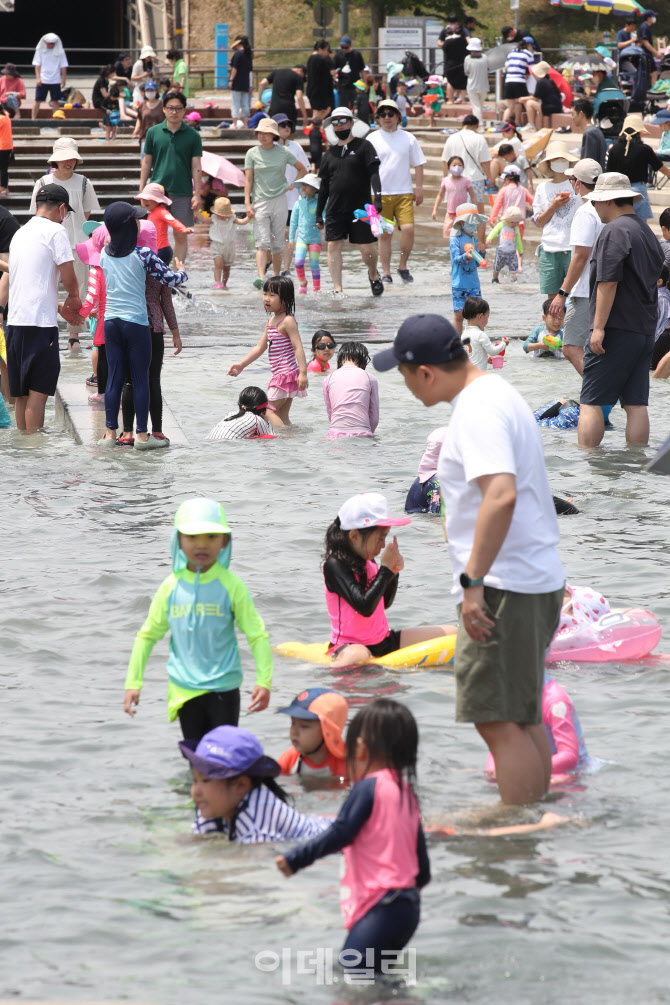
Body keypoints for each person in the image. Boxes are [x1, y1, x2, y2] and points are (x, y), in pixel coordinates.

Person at [373, 315, 566, 805]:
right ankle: (538, 824)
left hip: (503, 586)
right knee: (521, 715)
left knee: (497, 720)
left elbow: (500, 496)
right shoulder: (499, 394)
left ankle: (514, 834)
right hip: (532, 578)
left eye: (403, 374)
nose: (405, 386)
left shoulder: (476, 411)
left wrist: (473, 581)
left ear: (426, 373)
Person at [276, 699, 430, 976]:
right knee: (374, 977)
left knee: (349, 977)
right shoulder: (407, 793)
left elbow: (342, 832)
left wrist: (296, 858)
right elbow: (422, 867)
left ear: (359, 749)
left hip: (382, 905)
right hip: (407, 907)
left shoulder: (368, 788)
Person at [124, 499, 273, 738]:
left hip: (224, 688)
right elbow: (147, 635)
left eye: (212, 536)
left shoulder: (232, 586)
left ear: (225, 541)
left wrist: (264, 681)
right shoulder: (170, 587)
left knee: (223, 759)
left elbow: (257, 634)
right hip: (184, 690)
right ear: (178, 539)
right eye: (192, 537)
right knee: (196, 763)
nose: (201, 545)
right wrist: (133, 683)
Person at [578, 172, 664, 447]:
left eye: (595, 202)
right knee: (636, 404)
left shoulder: (614, 231)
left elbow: (608, 282)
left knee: (591, 402)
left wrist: (599, 328)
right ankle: (636, 463)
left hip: (616, 328)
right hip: (644, 330)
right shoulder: (646, 232)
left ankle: (588, 465)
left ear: (608, 201)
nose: (594, 208)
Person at [321, 492, 455, 667]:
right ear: (354, 536)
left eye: (385, 538)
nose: (383, 545)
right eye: (380, 538)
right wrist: (385, 570)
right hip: (349, 646)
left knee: (453, 633)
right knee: (358, 654)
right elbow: (364, 606)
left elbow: (383, 603)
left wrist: (393, 572)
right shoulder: (334, 565)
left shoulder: (369, 560)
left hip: (384, 641)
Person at [97, 201, 187, 449]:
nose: (139, 223)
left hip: (111, 323)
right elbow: (169, 279)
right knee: (140, 378)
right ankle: (143, 437)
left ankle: (109, 434)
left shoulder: (104, 254)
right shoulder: (143, 254)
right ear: (129, 226)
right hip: (136, 323)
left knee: (115, 378)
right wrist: (183, 271)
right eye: (136, 220)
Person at [6, 183, 80, 432]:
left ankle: (24, 451)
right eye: (66, 213)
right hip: (39, 324)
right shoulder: (55, 232)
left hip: (14, 323)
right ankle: (36, 453)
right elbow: (69, 278)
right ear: (61, 208)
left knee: (21, 396)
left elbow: (28, 281)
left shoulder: (20, 232)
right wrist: (74, 298)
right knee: (38, 396)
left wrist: (57, 303)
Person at [181, 725, 330, 841]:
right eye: (195, 781)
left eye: (205, 781)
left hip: (329, 838)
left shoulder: (257, 815)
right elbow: (197, 838)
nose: (196, 791)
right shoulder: (213, 806)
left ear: (240, 785)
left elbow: (257, 861)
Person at [29, 137, 100, 344]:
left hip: (77, 245)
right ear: (55, 161)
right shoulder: (43, 183)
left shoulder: (84, 182)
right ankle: (45, 326)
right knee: (46, 285)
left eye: (72, 158)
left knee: (77, 288)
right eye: (64, 158)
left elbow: (86, 214)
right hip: (47, 244)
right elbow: (36, 213)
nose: (68, 162)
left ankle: (73, 334)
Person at [118, 220, 182, 446]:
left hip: (127, 325)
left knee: (129, 381)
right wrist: (175, 332)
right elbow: (167, 302)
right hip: (153, 327)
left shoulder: (123, 261)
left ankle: (126, 433)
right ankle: (157, 431)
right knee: (153, 379)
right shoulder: (157, 265)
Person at [316, 106, 384, 296]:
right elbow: (324, 188)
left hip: (363, 207)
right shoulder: (329, 154)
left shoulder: (364, 146)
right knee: (333, 246)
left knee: (366, 249)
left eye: (343, 121)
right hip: (335, 208)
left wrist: (377, 199)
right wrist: (318, 213)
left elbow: (374, 175)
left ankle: (373, 274)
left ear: (352, 123)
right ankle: (338, 288)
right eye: (335, 122)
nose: (339, 126)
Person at [548, 158, 604, 376]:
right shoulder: (606, 208)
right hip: (605, 288)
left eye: (572, 180)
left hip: (585, 290)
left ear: (578, 183)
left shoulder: (585, 211)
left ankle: (599, 393)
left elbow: (580, 256)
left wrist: (562, 293)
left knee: (571, 347)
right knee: (597, 347)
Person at [228, 276, 308, 424]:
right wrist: (241, 365)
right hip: (283, 375)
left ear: (285, 298)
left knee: (266, 411)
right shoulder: (271, 321)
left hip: (285, 375)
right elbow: (260, 347)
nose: (266, 299)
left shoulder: (287, 321)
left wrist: (303, 373)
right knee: (282, 417)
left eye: (272, 295)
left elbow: (298, 346)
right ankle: (290, 442)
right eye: (265, 294)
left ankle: (278, 440)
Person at [366, 99, 426, 285]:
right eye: (382, 114)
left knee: (408, 229)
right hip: (378, 194)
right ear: (377, 118)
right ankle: (386, 272)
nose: (386, 118)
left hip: (404, 192)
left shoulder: (408, 138)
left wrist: (419, 187)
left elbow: (418, 164)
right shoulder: (371, 138)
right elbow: (364, 167)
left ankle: (402, 265)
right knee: (385, 234)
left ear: (398, 116)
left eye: (390, 114)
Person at [485, 672, 589, 780]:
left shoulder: (555, 700)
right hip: (529, 767)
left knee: (560, 780)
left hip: (572, 771)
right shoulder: (511, 693)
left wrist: (525, 771)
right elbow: (500, 743)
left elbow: (569, 756)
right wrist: (492, 770)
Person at [140, 90, 203, 263]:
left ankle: (177, 274)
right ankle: (155, 272)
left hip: (182, 192)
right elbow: (147, 162)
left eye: (178, 108)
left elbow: (197, 166)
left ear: (184, 110)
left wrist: (197, 194)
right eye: (170, 108)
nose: (174, 112)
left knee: (181, 234)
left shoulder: (193, 135)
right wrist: (142, 189)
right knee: (153, 234)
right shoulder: (153, 132)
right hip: (157, 193)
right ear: (164, 109)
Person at [244, 118, 306, 287]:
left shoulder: (283, 152)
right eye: (260, 133)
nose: (262, 136)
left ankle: (277, 276)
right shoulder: (252, 153)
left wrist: (293, 185)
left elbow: (302, 169)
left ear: (274, 135)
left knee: (278, 242)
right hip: (260, 201)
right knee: (262, 242)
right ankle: (261, 276)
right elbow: (248, 179)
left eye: (266, 133)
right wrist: (247, 203)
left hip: (280, 199)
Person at [532, 143, 580, 298]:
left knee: (574, 295)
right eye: (556, 159)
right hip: (549, 247)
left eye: (562, 159)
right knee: (552, 299)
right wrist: (553, 206)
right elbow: (539, 222)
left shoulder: (577, 185)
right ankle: (556, 323)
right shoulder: (542, 188)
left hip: (572, 247)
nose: (559, 162)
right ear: (549, 164)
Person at [606, 114, 670, 221]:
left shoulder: (614, 150)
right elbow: (660, 167)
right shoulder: (644, 149)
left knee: (620, 223)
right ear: (639, 132)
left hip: (618, 192)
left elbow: (608, 174)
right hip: (638, 191)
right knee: (641, 227)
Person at [277, 687, 349, 779]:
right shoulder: (290, 758)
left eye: (304, 726)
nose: (294, 731)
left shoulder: (346, 763)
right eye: (293, 723)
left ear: (327, 731)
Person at [441, 116, 492, 241]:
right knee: (478, 215)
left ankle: (456, 244)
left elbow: (444, 162)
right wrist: (490, 178)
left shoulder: (451, 138)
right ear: (475, 125)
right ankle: (480, 244)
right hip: (475, 180)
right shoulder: (479, 138)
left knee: (455, 214)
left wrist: (445, 180)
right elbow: (485, 162)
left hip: (454, 181)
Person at [273, 114, 311, 274]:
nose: (287, 127)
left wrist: (293, 184)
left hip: (292, 198)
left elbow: (307, 169)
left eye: (289, 124)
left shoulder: (296, 147)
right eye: (282, 125)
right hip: (274, 198)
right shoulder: (270, 147)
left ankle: (286, 268)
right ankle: (273, 264)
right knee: (275, 235)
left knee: (289, 233)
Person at [323, 340, 379, 439]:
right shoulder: (371, 379)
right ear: (363, 360)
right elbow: (374, 418)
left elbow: (330, 413)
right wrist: (369, 432)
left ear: (338, 359)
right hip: (363, 433)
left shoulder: (328, 379)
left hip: (335, 434)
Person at [449, 203, 488, 334]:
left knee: (477, 315)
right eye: (470, 222)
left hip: (473, 283)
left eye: (474, 222)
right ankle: (457, 345)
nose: (473, 225)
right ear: (461, 222)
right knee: (459, 315)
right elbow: (455, 259)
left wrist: (482, 252)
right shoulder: (455, 239)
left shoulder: (473, 238)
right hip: (459, 283)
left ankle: (476, 342)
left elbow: (478, 263)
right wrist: (465, 256)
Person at [135, 181, 193, 266]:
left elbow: (172, 220)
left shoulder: (161, 212)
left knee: (158, 277)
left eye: (150, 199)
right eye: (143, 199)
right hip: (156, 249)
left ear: (159, 200)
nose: (145, 201)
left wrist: (183, 229)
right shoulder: (152, 212)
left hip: (162, 250)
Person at [207, 386, 284, 440]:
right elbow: (271, 437)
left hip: (208, 441)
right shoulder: (257, 419)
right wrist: (267, 423)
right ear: (263, 411)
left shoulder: (230, 414)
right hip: (227, 446)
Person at [288, 172, 322, 294]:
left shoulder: (319, 203)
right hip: (301, 239)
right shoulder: (299, 204)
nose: (303, 187)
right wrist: (291, 239)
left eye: (307, 185)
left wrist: (322, 222)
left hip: (315, 240)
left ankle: (317, 289)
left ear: (314, 189)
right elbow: (293, 223)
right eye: (302, 185)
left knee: (314, 264)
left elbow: (324, 216)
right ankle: (303, 283)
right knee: (298, 263)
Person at [206, 196, 248, 290]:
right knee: (218, 264)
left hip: (229, 246)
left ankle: (224, 283)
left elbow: (242, 222)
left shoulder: (232, 219)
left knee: (227, 268)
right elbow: (203, 219)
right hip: (217, 245)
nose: (221, 216)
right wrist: (196, 211)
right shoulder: (213, 218)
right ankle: (217, 282)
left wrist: (249, 217)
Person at [405, 426, 447, 515]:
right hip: (427, 526)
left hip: (416, 524)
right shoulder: (439, 484)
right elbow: (437, 518)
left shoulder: (425, 475)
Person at [433, 155, 476, 237]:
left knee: (464, 235)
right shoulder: (446, 181)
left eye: (460, 165)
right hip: (450, 214)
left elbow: (473, 196)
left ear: (463, 167)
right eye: (454, 165)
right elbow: (440, 195)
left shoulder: (466, 181)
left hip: (463, 214)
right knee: (449, 236)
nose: (457, 167)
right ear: (448, 167)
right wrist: (435, 210)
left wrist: (474, 211)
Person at [462, 297, 507, 368]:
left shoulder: (464, 334)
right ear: (480, 316)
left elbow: (471, 355)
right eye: (487, 316)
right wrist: (504, 343)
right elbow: (493, 351)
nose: (487, 320)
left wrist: (485, 358)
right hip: (478, 374)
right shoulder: (480, 335)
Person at [258, 65, 307, 130]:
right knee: (289, 132)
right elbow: (299, 97)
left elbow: (262, 83)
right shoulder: (298, 77)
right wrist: (305, 115)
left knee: (275, 132)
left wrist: (259, 100)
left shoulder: (276, 72)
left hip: (275, 108)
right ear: (301, 70)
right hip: (289, 108)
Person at [31, 33, 68, 120]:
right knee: (37, 100)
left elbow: (63, 65)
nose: (50, 45)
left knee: (55, 101)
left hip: (55, 80)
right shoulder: (40, 50)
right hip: (43, 79)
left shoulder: (60, 51)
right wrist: (38, 78)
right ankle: (33, 119)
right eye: (49, 43)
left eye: (52, 43)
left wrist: (63, 78)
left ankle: (56, 119)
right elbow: (37, 65)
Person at [487, 204, 525, 283]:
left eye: (516, 223)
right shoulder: (501, 225)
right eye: (512, 222)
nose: (514, 224)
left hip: (512, 252)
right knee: (497, 266)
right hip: (501, 251)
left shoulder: (516, 229)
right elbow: (494, 231)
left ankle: (514, 279)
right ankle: (495, 278)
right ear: (507, 219)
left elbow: (518, 241)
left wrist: (520, 251)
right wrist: (489, 238)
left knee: (514, 267)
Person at [520, 62, 562, 131]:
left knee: (529, 103)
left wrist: (523, 98)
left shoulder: (541, 82)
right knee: (530, 102)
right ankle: (532, 124)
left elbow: (535, 97)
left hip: (551, 108)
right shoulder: (548, 80)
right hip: (556, 107)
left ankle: (531, 125)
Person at [502, 38, 534, 124]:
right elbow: (532, 69)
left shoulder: (512, 52)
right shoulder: (528, 54)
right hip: (519, 81)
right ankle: (517, 122)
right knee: (519, 102)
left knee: (510, 107)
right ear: (529, 45)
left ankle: (504, 123)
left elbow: (506, 67)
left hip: (509, 80)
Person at [131, 79, 164, 158]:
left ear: (156, 91)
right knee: (145, 161)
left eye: (151, 90)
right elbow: (139, 119)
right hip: (145, 137)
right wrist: (135, 131)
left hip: (160, 137)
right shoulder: (142, 105)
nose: (150, 92)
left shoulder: (162, 104)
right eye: (148, 90)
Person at [570, 99, 606, 170]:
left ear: (581, 114)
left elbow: (589, 163)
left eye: (573, 114)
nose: (572, 117)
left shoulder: (590, 133)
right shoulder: (594, 131)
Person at [439, 16, 468, 102]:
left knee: (450, 81)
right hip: (461, 63)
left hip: (450, 63)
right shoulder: (462, 40)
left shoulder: (447, 42)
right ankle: (463, 100)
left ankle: (451, 100)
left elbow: (444, 49)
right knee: (463, 81)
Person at [332, 36, 365, 109]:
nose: (344, 49)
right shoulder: (338, 55)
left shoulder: (357, 55)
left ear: (350, 45)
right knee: (342, 108)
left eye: (346, 47)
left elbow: (362, 70)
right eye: (342, 47)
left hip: (355, 86)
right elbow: (333, 70)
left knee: (356, 108)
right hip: (342, 86)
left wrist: (364, 84)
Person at [229, 35, 253, 128]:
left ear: (238, 42)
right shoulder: (248, 54)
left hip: (237, 83)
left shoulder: (238, 54)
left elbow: (234, 69)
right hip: (245, 83)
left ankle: (235, 124)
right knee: (245, 105)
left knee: (235, 104)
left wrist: (231, 79)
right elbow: (250, 71)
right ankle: (246, 125)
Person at [306, 39, 335, 118]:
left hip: (313, 90)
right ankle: (314, 127)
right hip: (319, 91)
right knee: (319, 112)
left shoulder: (311, 58)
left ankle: (315, 126)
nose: (327, 52)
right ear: (320, 49)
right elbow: (330, 72)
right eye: (326, 50)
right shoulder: (320, 59)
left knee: (321, 111)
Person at [464, 37, 489, 125]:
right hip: (484, 86)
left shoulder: (467, 58)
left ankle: (479, 125)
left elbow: (466, 72)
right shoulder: (485, 57)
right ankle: (478, 123)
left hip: (472, 86)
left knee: (476, 107)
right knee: (480, 106)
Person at [638, 9, 660, 85]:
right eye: (653, 17)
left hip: (647, 53)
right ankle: (652, 89)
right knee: (652, 72)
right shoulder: (645, 27)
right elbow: (645, 42)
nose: (654, 18)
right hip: (646, 53)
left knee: (652, 72)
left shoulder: (646, 27)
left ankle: (651, 88)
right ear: (648, 18)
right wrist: (656, 53)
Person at [0, 105, 12, 197]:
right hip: (8, 146)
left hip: (2, 146)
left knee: (2, 169)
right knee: (4, 168)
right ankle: (4, 187)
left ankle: (3, 188)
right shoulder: (6, 117)